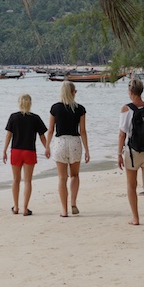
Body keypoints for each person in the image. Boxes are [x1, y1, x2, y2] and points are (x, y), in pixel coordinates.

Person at [117, 78, 144, 229]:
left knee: (131, 185)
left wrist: (118, 154)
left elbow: (122, 134)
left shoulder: (126, 109)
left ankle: (135, 218)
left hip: (133, 152)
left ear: (130, 92)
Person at [3, 94, 49, 216]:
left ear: (20, 103)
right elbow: (42, 136)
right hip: (29, 151)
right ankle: (25, 208)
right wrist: (47, 148)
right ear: (30, 103)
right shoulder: (35, 118)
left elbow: (9, 135)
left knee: (16, 180)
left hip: (16, 151)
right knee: (27, 181)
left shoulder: (13, 117)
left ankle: (16, 207)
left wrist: (4, 150)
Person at [47, 81, 89, 217]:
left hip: (60, 142)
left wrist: (47, 146)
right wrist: (87, 150)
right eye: (75, 91)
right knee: (75, 175)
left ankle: (64, 210)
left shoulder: (55, 108)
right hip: (75, 142)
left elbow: (51, 130)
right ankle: (73, 203)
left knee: (62, 178)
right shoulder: (80, 109)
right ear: (72, 92)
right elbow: (82, 131)